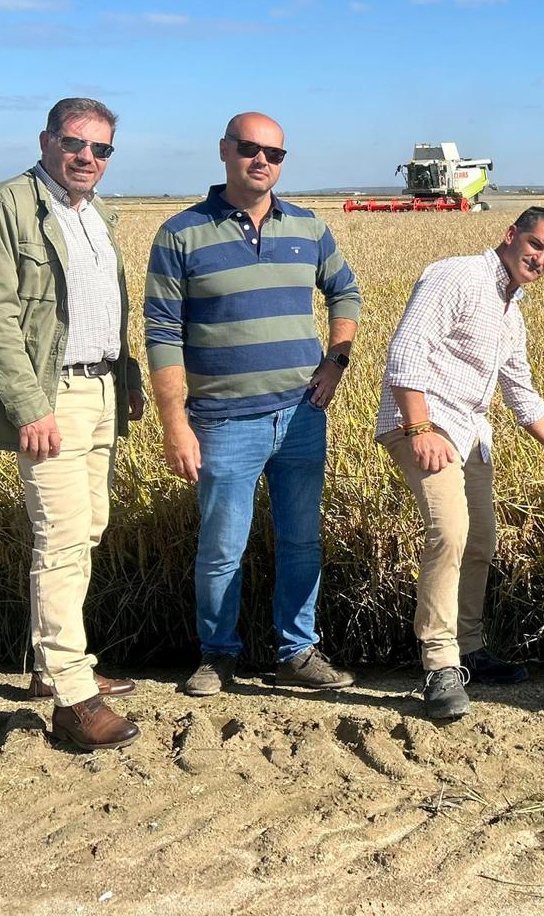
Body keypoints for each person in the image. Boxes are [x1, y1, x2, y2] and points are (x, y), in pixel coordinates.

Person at [0, 98, 144, 751]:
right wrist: (28, 406)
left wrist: (127, 375)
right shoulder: (5, 206)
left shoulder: (96, 215)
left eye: (101, 149)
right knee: (60, 535)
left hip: (101, 389)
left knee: (86, 528)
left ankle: (51, 667)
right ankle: (72, 698)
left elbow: (100, 307)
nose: (88, 158)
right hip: (50, 392)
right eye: (76, 144)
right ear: (48, 141)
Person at [145, 112, 362, 697]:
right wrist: (174, 425)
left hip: (300, 416)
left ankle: (298, 651)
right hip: (221, 422)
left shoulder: (310, 227)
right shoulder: (180, 234)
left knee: (301, 540)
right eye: (249, 148)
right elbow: (161, 333)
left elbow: (345, 291)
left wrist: (336, 362)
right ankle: (217, 655)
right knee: (221, 548)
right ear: (224, 151)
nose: (261, 160)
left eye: (274, 153)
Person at [378, 207, 544, 721]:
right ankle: (439, 665)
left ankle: (469, 648)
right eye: (536, 246)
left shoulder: (510, 309)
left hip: (470, 434)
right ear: (511, 235)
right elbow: (405, 351)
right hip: (424, 424)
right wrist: (419, 429)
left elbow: (520, 389)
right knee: (449, 532)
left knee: (479, 542)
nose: (541, 259)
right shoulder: (456, 275)